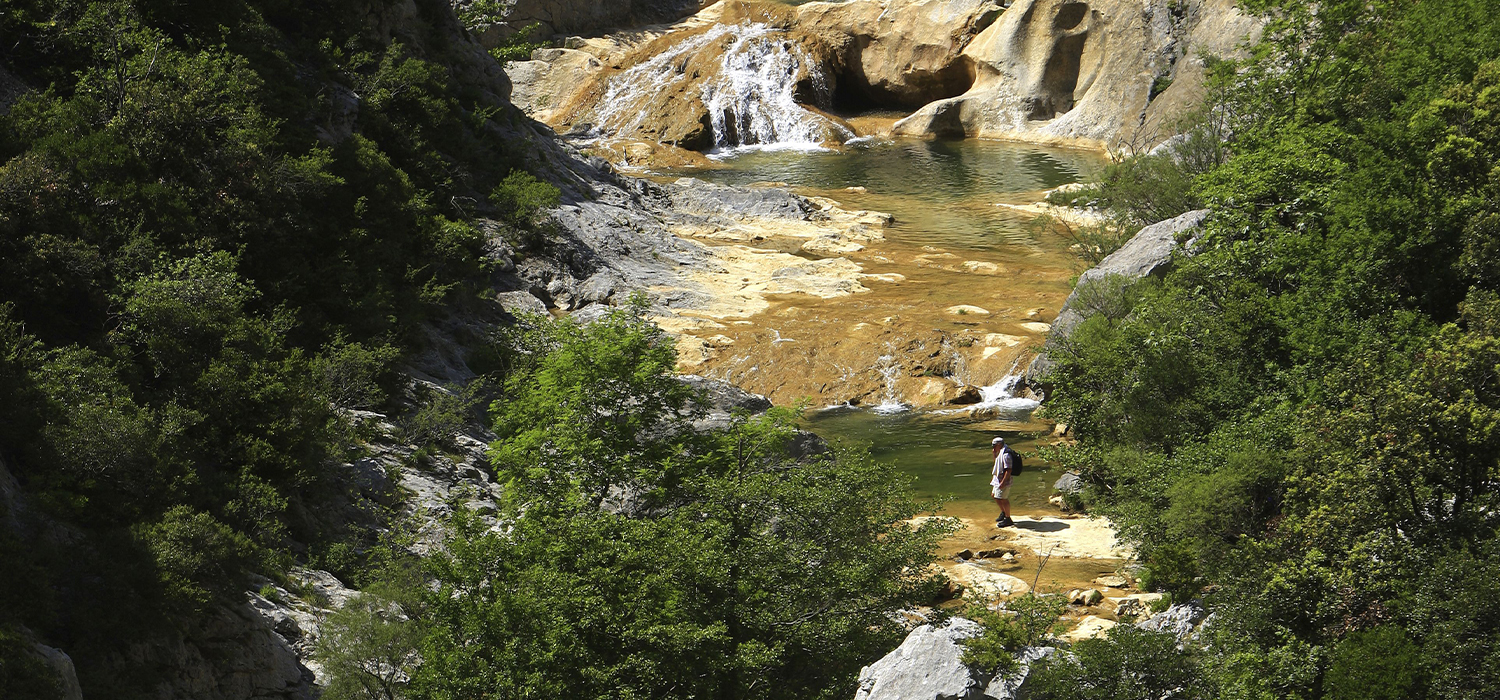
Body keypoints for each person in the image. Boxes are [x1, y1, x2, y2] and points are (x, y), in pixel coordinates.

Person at [991, 436, 1015, 527]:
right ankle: (1004, 513)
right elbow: (996, 463)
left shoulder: (1006, 454)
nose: (993, 447)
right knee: (995, 496)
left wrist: (1003, 482)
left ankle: (1008, 519)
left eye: (994, 445)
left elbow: (1008, 470)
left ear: (999, 445)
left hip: (1004, 480)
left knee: (1003, 499)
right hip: (997, 479)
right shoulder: (1000, 451)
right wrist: (994, 454)